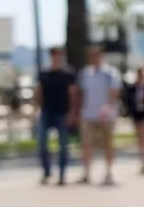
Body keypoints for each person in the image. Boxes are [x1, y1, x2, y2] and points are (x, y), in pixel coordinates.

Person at [75, 45, 121, 186]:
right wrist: (78, 111)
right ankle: (86, 173)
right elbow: (81, 94)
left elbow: (114, 92)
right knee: (86, 144)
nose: (95, 58)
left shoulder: (110, 73)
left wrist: (107, 107)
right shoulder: (85, 73)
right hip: (89, 114)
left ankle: (109, 172)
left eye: (97, 55)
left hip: (107, 115)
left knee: (108, 144)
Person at [35, 47, 77, 185]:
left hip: (62, 112)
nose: (56, 58)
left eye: (59, 55)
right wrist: (38, 109)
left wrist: (71, 113)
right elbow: (39, 92)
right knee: (42, 144)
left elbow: (72, 94)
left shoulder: (67, 74)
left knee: (63, 145)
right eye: (54, 55)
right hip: (47, 112)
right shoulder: (44, 74)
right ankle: (46, 172)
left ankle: (62, 174)